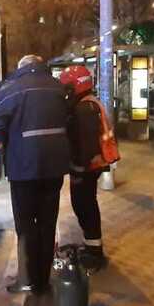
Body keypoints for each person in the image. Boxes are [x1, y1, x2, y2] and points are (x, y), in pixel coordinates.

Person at [0, 55, 71, 294]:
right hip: (54, 167)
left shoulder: (15, 88)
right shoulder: (58, 87)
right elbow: (69, 120)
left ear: (22, 68)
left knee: (25, 225)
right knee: (47, 222)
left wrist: (9, 139)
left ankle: (27, 279)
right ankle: (43, 280)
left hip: (24, 168)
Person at [59, 65, 119, 273]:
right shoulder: (87, 104)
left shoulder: (83, 108)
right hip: (89, 166)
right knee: (85, 205)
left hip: (86, 167)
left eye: (66, 87)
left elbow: (86, 144)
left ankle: (95, 253)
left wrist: (77, 167)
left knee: (85, 206)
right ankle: (92, 246)